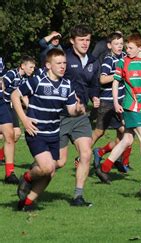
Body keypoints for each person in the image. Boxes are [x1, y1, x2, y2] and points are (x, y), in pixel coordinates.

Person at [14, 49, 85, 211]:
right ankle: (26, 177)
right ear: (48, 65)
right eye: (58, 63)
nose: (62, 67)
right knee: (47, 167)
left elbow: (71, 110)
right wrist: (24, 119)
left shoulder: (67, 85)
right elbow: (14, 95)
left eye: (64, 63)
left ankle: (27, 203)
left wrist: (79, 110)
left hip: (53, 134)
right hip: (36, 132)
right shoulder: (38, 81)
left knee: (51, 171)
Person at [94, 33, 141, 200]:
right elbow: (116, 82)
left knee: (127, 140)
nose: (126, 50)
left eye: (130, 48)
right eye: (126, 47)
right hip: (130, 106)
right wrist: (116, 102)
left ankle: (105, 167)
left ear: (140, 48)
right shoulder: (123, 62)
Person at [57, 24, 100, 206]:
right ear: (72, 41)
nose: (85, 43)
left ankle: (78, 196)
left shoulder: (92, 61)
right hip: (60, 115)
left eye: (88, 40)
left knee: (86, 153)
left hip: (81, 115)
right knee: (58, 162)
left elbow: (93, 84)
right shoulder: (64, 58)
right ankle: (28, 178)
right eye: (81, 40)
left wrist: (94, 96)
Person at [91, 31, 130, 172]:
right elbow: (102, 79)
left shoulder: (125, 57)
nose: (119, 46)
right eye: (116, 44)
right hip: (107, 103)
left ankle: (101, 152)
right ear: (109, 45)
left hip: (120, 103)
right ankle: (82, 155)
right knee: (99, 132)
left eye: (121, 44)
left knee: (124, 135)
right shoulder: (109, 59)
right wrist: (118, 75)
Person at [0, 55, 36, 184]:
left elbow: (23, 96)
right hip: (5, 103)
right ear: (23, 66)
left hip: (5, 105)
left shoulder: (25, 78)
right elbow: (3, 84)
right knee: (10, 134)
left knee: (13, 135)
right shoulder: (12, 74)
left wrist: (31, 109)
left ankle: (9, 174)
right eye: (31, 67)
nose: (33, 69)